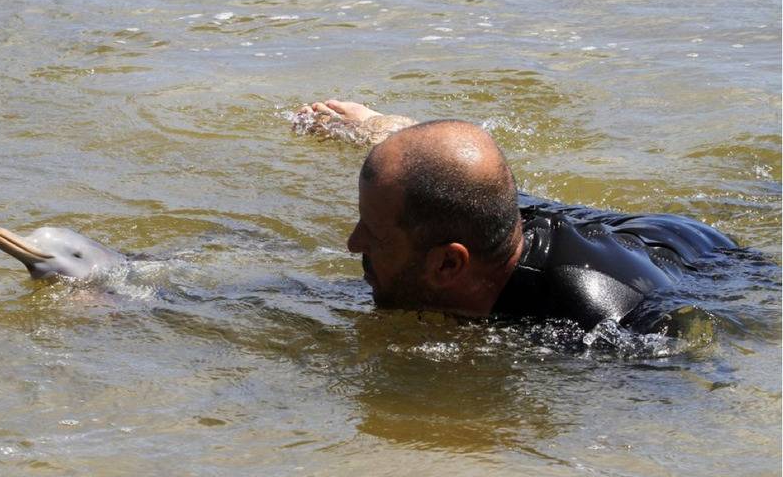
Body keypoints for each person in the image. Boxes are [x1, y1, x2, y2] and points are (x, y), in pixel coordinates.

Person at [293, 99, 738, 332]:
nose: (352, 244)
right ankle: (387, 127)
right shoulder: (477, 223)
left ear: (449, 263)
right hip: (564, 231)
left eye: (373, 235)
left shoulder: (601, 321)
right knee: (463, 193)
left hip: (699, 257)